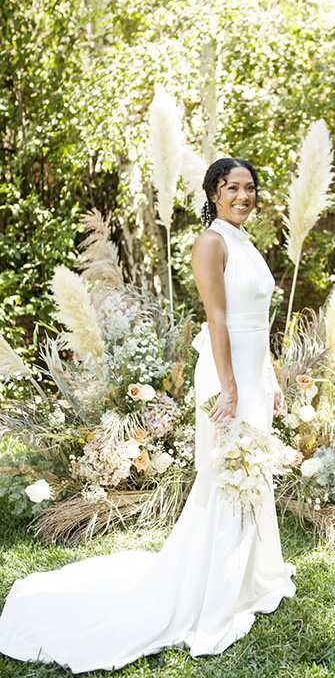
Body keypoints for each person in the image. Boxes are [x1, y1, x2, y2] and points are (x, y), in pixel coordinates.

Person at [0, 158, 295, 674]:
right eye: (233, 188)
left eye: (250, 187)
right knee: (227, 476)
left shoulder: (247, 242)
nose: (244, 195)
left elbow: (259, 321)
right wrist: (230, 388)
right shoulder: (212, 242)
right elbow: (218, 318)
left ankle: (248, 578)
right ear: (214, 193)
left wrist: (268, 379)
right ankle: (211, 593)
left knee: (250, 475)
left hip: (252, 373)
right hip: (226, 377)